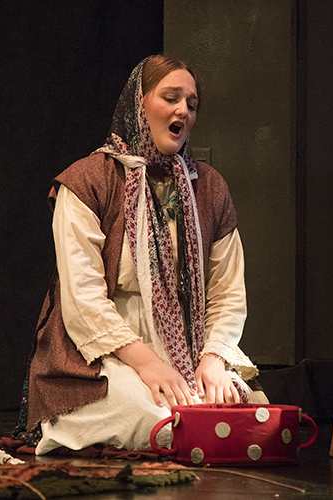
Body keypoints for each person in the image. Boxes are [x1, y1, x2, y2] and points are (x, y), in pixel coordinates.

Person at [16, 54, 267, 454]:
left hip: (188, 343)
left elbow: (227, 292)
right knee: (159, 419)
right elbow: (82, 298)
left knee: (252, 412)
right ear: (139, 103)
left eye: (191, 104)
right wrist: (147, 364)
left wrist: (213, 359)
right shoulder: (89, 180)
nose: (183, 110)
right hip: (101, 353)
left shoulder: (208, 187)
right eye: (171, 98)